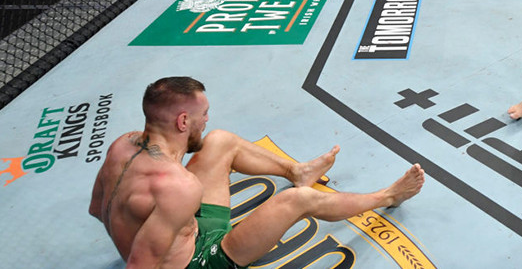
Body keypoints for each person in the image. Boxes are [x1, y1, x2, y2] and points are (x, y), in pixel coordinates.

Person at [89, 76, 424, 268]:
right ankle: (388, 195)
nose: (206, 120)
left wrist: (154, 224)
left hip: (182, 230)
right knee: (298, 200)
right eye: (203, 114)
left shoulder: (123, 145)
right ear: (183, 121)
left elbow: (96, 209)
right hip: (200, 261)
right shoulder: (178, 186)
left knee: (219, 141)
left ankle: (296, 170)